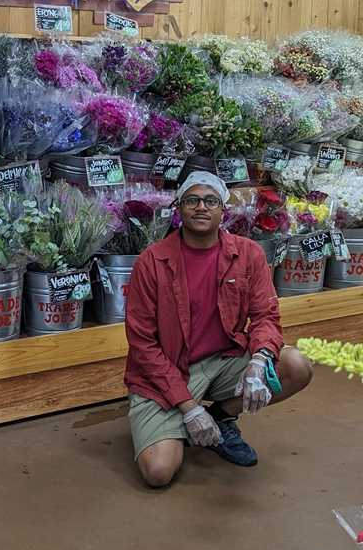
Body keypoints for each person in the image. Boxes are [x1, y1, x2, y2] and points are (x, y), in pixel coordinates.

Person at [123, 171, 313, 488]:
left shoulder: (248, 253)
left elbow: (266, 315)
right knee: (158, 472)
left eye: (210, 200)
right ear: (179, 208)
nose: (201, 207)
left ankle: (221, 416)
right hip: (169, 369)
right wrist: (188, 408)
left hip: (224, 361)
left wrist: (259, 361)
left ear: (222, 210)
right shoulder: (152, 262)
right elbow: (142, 344)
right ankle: (183, 419)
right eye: (192, 200)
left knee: (295, 366)